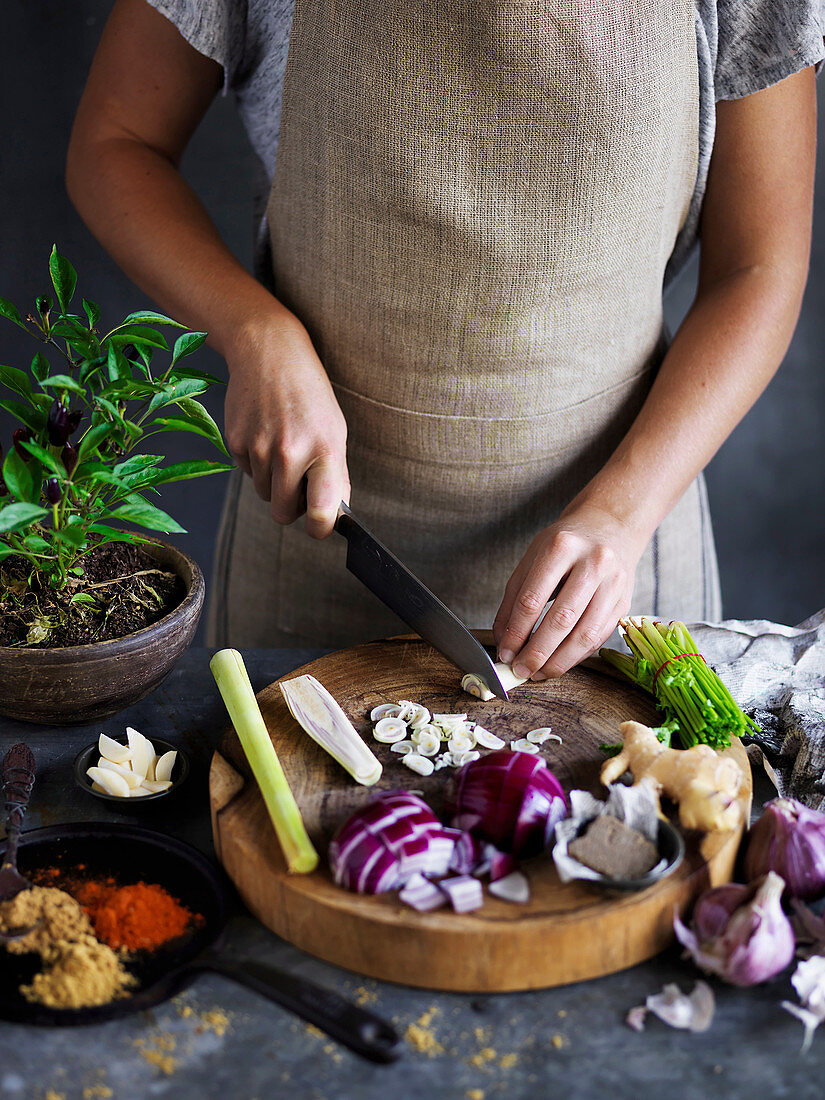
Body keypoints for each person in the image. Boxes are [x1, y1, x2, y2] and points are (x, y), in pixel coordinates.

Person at [66, 0, 822, 682]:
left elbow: (758, 266)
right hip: (318, 531)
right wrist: (255, 332)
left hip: (622, 541)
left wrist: (619, 516)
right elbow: (116, 140)